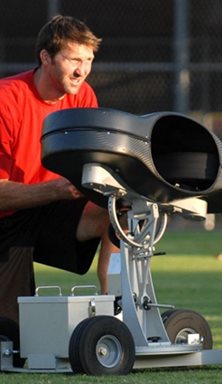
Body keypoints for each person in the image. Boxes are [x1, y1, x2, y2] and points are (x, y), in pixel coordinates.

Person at [0, 15, 116, 323]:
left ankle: (115, 311)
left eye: (88, 60)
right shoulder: (6, 100)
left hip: (52, 208)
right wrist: (55, 189)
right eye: (73, 59)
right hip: (6, 218)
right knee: (11, 342)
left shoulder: (84, 96)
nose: (82, 70)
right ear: (46, 57)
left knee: (120, 209)